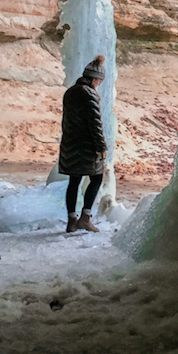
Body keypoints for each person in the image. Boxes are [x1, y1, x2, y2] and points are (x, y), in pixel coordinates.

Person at [59, 55, 108, 233]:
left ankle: (71, 220)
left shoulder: (70, 92)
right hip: (86, 148)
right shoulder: (90, 95)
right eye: (99, 81)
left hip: (69, 145)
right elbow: (95, 124)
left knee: (74, 181)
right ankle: (85, 218)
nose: (99, 84)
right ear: (95, 79)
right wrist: (102, 147)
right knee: (96, 177)